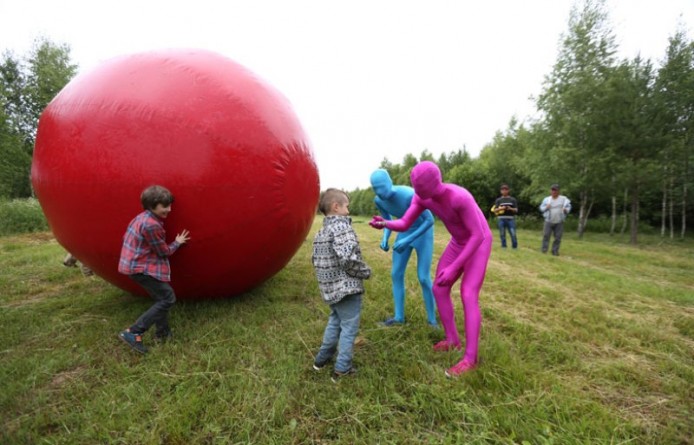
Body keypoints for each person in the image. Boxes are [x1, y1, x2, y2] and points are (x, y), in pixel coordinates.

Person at [369, 161, 492, 377]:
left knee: (468, 293)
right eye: (417, 189)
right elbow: (406, 222)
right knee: (439, 288)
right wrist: (385, 224)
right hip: (459, 241)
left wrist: (455, 267)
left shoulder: (459, 197)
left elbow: (478, 234)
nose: (421, 195)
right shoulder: (421, 196)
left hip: (478, 242)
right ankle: (452, 339)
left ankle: (470, 358)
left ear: (436, 182)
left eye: (424, 189)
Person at [117, 185, 190, 354]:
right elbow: (163, 251)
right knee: (168, 298)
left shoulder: (141, 218)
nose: (169, 209)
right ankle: (134, 331)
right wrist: (177, 242)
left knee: (161, 298)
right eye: (165, 206)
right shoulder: (152, 225)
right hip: (141, 268)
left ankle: (163, 333)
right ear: (153, 205)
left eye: (170, 205)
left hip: (132, 265)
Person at [312, 188, 372, 382]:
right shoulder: (341, 228)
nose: (348, 210)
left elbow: (316, 260)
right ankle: (342, 368)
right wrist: (364, 272)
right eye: (346, 206)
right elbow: (348, 259)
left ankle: (321, 360)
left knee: (335, 322)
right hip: (347, 289)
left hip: (330, 289)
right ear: (336, 207)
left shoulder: (321, 231)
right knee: (349, 328)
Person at [370, 169, 438, 327]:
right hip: (404, 231)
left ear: (389, 182)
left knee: (423, 276)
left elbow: (430, 220)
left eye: (381, 186)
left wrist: (407, 240)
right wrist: (385, 237)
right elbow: (387, 221)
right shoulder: (379, 201)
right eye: (375, 188)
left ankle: (432, 320)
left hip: (423, 232)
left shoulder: (409, 195)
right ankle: (399, 317)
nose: (379, 192)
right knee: (396, 273)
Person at [539, 184, 571, 256]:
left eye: (555, 190)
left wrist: (565, 210)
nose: (553, 192)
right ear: (550, 191)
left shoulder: (564, 199)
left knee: (558, 237)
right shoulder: (547, 199)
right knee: (546, 236)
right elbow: (541, 208)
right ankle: (544, 250)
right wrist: (546, 207)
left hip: (559, 221)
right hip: (548, 221)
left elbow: (568, 207)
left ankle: (555, 251)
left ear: (558, 191)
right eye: (552, 190)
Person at [490, 183, 518, 249]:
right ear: (501, 191)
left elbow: (516, 210)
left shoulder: (512, 200)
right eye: (503, 190)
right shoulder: (498, 200)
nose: (504, 191)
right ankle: (504, 246)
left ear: (508, 191)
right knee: (502, 233)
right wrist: (501, 208)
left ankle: (514, 246)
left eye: (506, 190)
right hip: (501, 218)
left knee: (513, 233)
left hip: (510, 218)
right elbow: (495, 210)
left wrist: (510, 208)